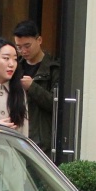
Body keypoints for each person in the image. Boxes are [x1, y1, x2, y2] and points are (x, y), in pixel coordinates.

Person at [13, 20, 60, 153]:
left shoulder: (53, 69)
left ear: (39, 40)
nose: (23, 51)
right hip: (17, 136)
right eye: (19, 47)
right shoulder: (15, 67)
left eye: (27, 45)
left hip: (42, 141)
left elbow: (56, 105)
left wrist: (32, 87)